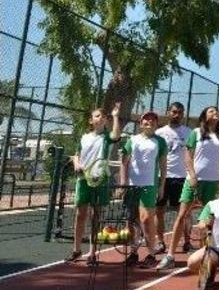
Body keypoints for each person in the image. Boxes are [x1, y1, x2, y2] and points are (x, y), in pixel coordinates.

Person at [158, 106, 219, 270]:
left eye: (217, 112)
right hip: (194, 180)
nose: (214, 113)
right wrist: (192, 175)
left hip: (212, 182)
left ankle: (208, 254)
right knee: (182, 216)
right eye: (211, 111)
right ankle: (170, 255)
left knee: (209, 220)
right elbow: (187, 156)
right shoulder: (195, 132)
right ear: (204, 115)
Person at [66, 102, 122, 264]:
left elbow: (116, 135)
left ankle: (92, 253)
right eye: (97, 115)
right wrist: (76, 163)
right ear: (91, 120)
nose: (101, 118)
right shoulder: (84, 137)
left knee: (96, 216)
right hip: (83, 180)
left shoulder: (107, 137)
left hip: (100, 180)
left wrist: (115, 116)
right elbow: (76, 154)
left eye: (104, 116)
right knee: (80, 215)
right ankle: (76, 250)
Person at [120, 110, 168, 268]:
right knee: (132, 221)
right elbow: (124, 163)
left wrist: (161, 186)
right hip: (132, 186)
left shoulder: (160, 142)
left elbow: (162, 165)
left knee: (147, 219)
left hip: (149, 185)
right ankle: (133, 253)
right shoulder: (132, 140)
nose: (149, 122)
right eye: (146, 120)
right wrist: (123, 183)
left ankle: (151, 255)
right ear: (141, 124)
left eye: (153, 120)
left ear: (156, 124)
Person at [154, 102, 192, 255]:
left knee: (184, 213)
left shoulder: (189, 132)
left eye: (180, 112)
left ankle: (187, 242)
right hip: (162, 177)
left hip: (182, 177)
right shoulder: (159, 133)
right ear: (168, 112)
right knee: (159, 211)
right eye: (174, 112)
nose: (177, 115)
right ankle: (160, 242)